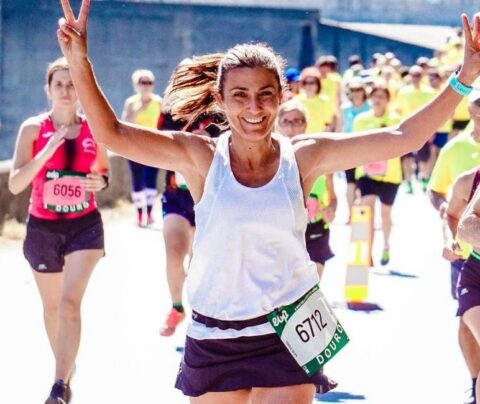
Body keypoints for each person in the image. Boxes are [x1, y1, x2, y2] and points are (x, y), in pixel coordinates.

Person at [57, 3, 480, 401]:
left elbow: (402, 138)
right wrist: (79, 61)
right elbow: (111, 133)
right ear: (220, 101)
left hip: (289, 331)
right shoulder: (200, 157)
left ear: (282, 97)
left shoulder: (305, 157)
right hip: (215, 334)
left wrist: (465, 76)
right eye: (239, 95)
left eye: (265, 94)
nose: (254, 107)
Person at [8, 56, 109, 404]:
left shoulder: (96, 128)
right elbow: (16, 184)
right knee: (51, 309)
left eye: (71, 84)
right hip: (43, 229)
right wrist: (46, 152)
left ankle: (58, 385)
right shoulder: (33, 129)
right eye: (59, 84)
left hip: (85, 227)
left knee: (68, 304)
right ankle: (66, 367)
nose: (66, 90)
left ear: (80, 90)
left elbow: (105, 173)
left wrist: (101, 182)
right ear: (48, 90)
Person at [428, 89, 480, 404]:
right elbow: (438, 195)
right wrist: (448, 237)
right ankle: (474, 380)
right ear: (471, 109)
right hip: (467, 251)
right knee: (466, 318)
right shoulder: (455, 149)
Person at [277, 100, 336, 280]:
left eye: (297, 121)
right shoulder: (269, 158)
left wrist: (331, 209)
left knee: (313, 287)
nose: (291, 127)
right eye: (286, 121)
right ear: (278, 125)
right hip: (283, 233)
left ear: (305, 124)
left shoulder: (320, 157)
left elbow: (333, 197)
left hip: (316, 229)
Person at [353, 86, 402, 266]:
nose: (377, 100)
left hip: (390, 174)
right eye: (374, 96)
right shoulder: (361, 120)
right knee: (367, 210)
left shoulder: (395, 119)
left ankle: (386, 246)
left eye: (381, 97)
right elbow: (355, 144)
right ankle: (367, 253)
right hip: (366, 173)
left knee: (385, 214)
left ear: (388, 100)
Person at [121, 69, 162, 226]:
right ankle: (139, 215)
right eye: (142, 82)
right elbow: (124, 124)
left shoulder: (158, 102)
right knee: (137, 180)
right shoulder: (131, 103)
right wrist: (140, 108)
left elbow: (163, 124)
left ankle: (150, 213)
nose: (146, 86)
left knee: (151, 179)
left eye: (149, 83)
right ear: (136, 85)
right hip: (134, 147)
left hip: (153, 146)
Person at [341, 78, 371, 217]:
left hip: (365, 148)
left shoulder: (369, 107)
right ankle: (350, 213)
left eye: (359, 89)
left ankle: (360, 213)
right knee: (350, 182)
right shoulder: (344, 109)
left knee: (361, 183)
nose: (356, 93)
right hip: (347, 148)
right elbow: (340, 128)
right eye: (353, 90)